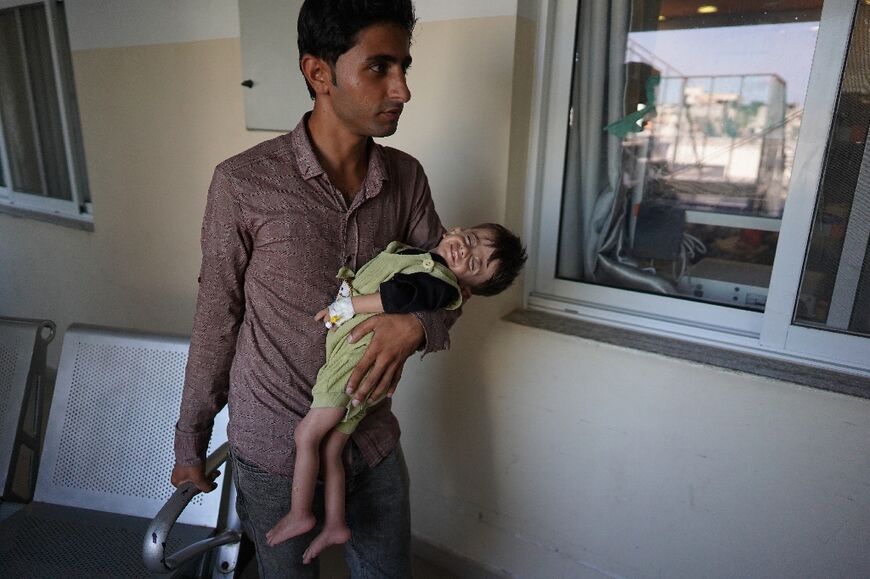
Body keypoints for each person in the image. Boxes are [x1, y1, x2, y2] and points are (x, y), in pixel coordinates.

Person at [170, 1, 472, 576]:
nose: (402, 89)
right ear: (318, 74)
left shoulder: (407, 177)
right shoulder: (243, 183)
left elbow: (451, 278)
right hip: (275, 447)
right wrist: (191, 442)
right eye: (379, 68)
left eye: (405, 66)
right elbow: (216, 317)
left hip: (372, 436)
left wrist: (416, 326)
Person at [265, 225, 527, 562]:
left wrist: (347, 307)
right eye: (471, 240)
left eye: (474, 264)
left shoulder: (437, 282)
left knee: (306, 436)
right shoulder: (423, 259)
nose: (465, 251)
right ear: (458, 229)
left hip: (353, 366)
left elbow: (398, 297)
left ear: (468, 287)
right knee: (332, 449)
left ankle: (299, 513)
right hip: (362, 371)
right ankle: (335, 522)